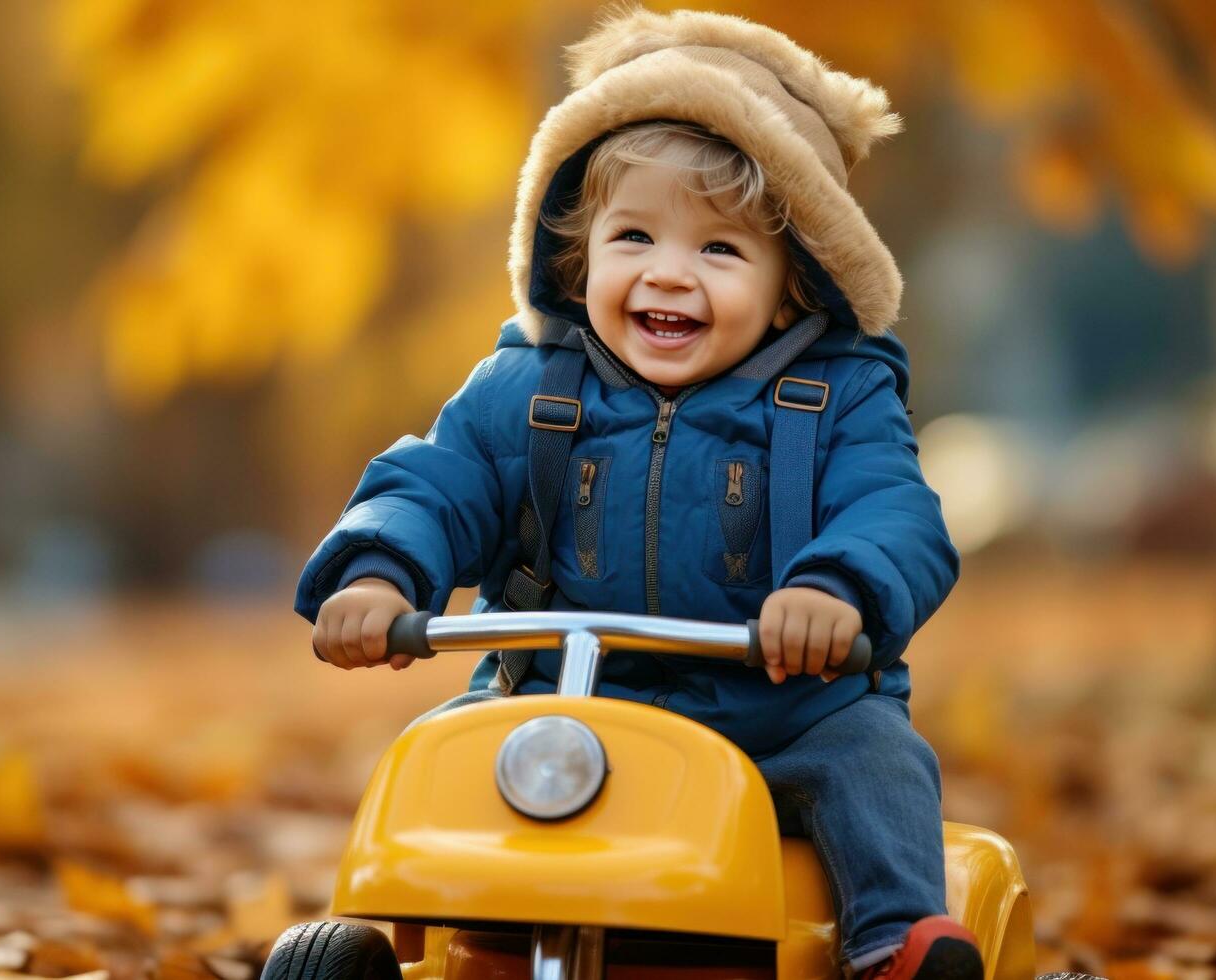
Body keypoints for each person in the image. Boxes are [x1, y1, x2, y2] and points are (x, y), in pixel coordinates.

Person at [294, 9, 973, 979]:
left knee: (871, 753)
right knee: (433, 755)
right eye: (635, 236)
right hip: (560, 694)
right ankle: (396, 940)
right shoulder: (529, 385)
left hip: (776, 707)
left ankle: (890, 938)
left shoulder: (838, 396)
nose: (668, 272)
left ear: (793, 285)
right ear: (579, 253)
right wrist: (379, 567)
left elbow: (895, 510)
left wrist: (837, 589)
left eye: (720, 251)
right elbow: (438, 479)